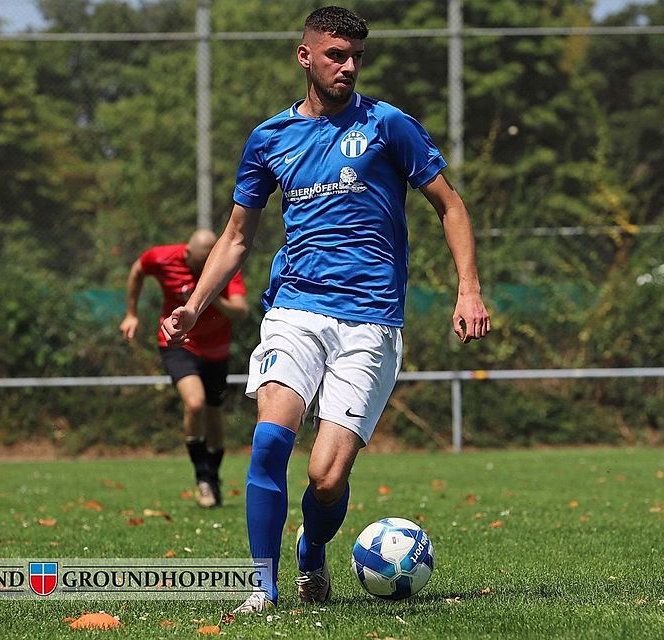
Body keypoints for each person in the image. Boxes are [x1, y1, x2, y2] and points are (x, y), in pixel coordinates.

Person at [160, 6, 490, 613]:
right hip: (295, 310)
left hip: (370, 322)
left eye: (356, 56)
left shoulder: (390, 126)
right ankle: (263, 587)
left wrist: (468, 288)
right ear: (304, 55)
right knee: (267, 443)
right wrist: (192, 306)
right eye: (336, 55)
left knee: (326, 476)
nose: (348, 67)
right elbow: (236, 236)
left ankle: (312, 555)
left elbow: (451, 205)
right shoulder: (270, 138)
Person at [120, 229, 248, 508]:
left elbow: (242, 311)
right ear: (187, 254)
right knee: (196, 403)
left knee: (214, 414)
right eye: (198, 265)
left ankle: (213, 477)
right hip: (179, 346)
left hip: (217, 351)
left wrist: (211, 298)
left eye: (208, 265)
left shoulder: (223, 268)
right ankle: (202, 478)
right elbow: (138, 269)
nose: (203, 270)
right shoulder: (163, 257)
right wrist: (131, 313)